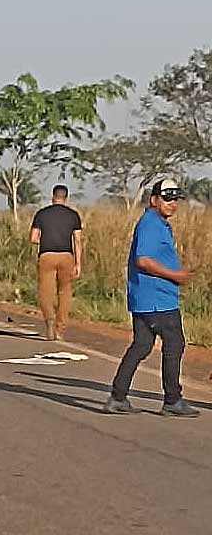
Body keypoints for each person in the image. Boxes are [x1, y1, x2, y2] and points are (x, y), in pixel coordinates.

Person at [106, 178, 198, 417]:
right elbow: (143, 260)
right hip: (157, 299)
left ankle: (118, 397)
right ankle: (172, 400)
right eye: (167, 199)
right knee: (174, 344)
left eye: (175, 199)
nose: (172, 204)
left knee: (142, 345)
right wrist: (174, 275)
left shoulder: (157, 223)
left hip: (146, 297)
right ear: (154, 199)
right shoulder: (151, 224)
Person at [29, 185, 82, 341]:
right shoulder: (73, 215)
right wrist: (78, 263)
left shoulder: (42, 214)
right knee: (64, 292)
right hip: (67, 256)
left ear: (53, 197)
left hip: (47, 255)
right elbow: (77, 241)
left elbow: (33, 238)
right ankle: (60, 328)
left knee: (45, 291)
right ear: (66, 197)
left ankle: (49, 319)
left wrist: (44, 240)